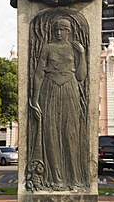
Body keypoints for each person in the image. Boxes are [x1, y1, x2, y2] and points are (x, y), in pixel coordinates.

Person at [29, 18, 88, 191]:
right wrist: (34, 99)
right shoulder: (48, 48)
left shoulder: (75, 48)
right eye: (56, 30)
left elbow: (81, 77)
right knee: (51, 134)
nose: (59, 33)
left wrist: (82, 54)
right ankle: (57, 179)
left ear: (69, 31)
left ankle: (75, 179)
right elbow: (39, 73)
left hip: (70, 88)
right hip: (50, 89)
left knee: (70, 134)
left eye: (62, 29)